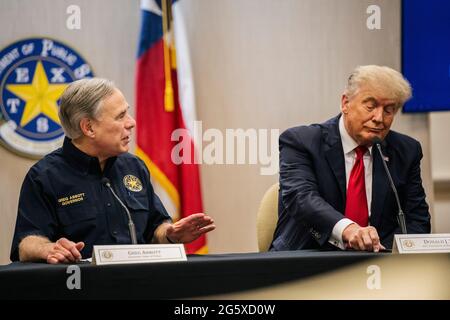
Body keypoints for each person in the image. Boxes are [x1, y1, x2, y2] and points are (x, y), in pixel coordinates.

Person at [10, 78, 215, 264]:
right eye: (121, 116)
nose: (131, 122)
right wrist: (48, 248)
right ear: (88, 128)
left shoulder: (134, 166)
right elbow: (26, 242)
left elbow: (156, 227)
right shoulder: (44, 176)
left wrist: (171, 234)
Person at [270, 65, 431, 252]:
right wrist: (348, 229)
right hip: (308, 260)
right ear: (345, 103)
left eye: (389, 110)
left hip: (379, 267)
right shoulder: (301, 141)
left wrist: (392, 257)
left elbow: (416, 219)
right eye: (370, 106)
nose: (379, 118)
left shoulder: (406, 151)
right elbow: (302, 198)